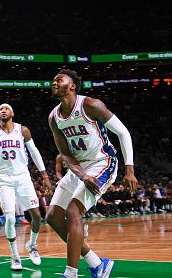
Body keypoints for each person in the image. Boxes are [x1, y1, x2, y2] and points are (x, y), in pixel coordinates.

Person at [46, 70, 138, 278]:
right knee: (52, 217)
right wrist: (81, 175)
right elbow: (65, 155)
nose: (54, 82)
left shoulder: (90, 105)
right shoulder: (53, 117)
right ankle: (97, 263)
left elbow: (123, 133)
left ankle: (71, 274)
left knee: (73, 212)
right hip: (79, 167)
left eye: (59, 80)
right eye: (53, 80)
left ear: (72, 87)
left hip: (102, 162)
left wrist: (129, 169)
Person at [0, 104, 52, 271]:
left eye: (6, 108)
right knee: (10, 218)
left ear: (13, 113)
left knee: (37, 217)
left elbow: (35, 153)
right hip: (3, 179)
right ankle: (15, 256)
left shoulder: (23, 130)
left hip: (23, 176)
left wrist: (45, 176)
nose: (3, 110)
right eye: (0, 109)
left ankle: (32, 245)